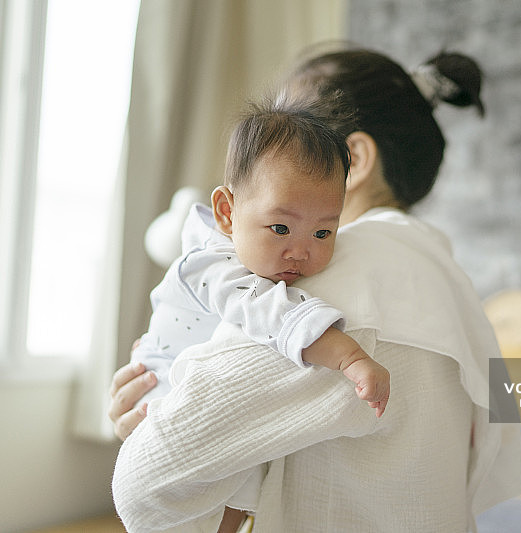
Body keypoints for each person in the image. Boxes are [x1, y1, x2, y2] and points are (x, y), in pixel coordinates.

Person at [110, 46, 521, 532]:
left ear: (353, 158)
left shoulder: (347, 277)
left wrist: (149, 429)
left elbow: (148, 482)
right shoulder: (442, 278)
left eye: (299, 128)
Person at [127, 94, 391, 531]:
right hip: (160, 384)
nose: (302, 250)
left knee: (248, 468)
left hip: (178, 384)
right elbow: (268, 311)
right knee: (208, 481)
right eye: (281, 228)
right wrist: (350, 357)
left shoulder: (267, 253)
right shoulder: (211, 263)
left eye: (324, 231)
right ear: (227, 213)